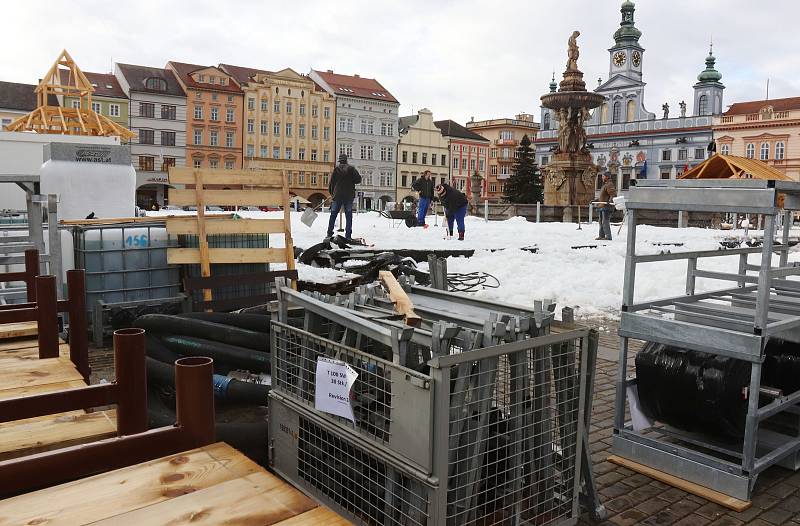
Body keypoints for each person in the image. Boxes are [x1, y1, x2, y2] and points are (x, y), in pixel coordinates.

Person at [326, 154, 361, 240]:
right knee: (348, 216)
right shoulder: (351, 169)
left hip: (337, 195)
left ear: (340, 161)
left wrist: (332, 193)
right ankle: (348, 235)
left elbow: (331, 183)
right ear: (346, 160)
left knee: (333, 215)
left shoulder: (336, 169)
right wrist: (351, 180)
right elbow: (358, 180)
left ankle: (329, 233)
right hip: (349, 195)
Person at [596, 173, 617, 240]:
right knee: (601, 221)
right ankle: (601, 235)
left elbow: (613, 194)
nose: (602, 177)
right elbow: (602, 197)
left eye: (603, 176)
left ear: (607, 177)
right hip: (602, 205)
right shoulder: (605, 185)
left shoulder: (609, 184)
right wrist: (595, 200)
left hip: (607, 207)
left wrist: (610, 201)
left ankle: (608, 237)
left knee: (605, 221)